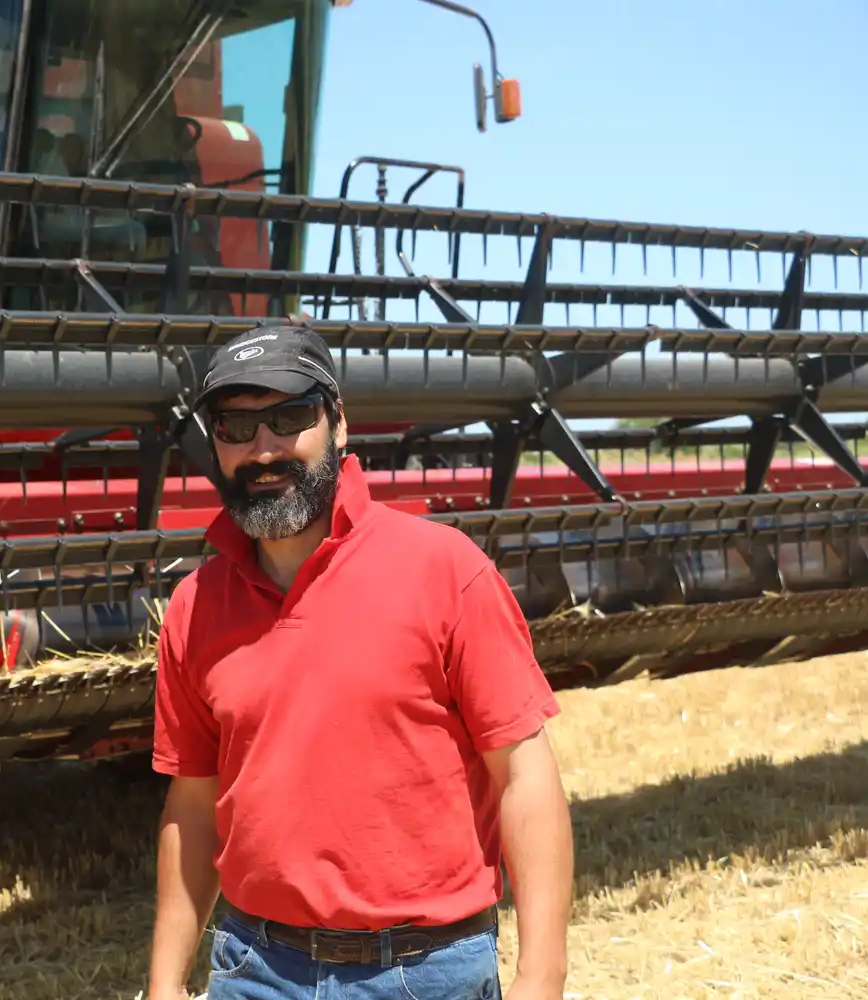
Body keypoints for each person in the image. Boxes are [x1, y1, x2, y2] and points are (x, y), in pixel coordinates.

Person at [144, 324, 573, 1000]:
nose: (263, 449)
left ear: (338, 422)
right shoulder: (195, 608)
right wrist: (166, 983)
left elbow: (523, 771)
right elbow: (193, 803)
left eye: (289, 417)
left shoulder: (443, 570)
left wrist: (542, 974)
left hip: (424, 971)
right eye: (235, 425)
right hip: (255, 970)